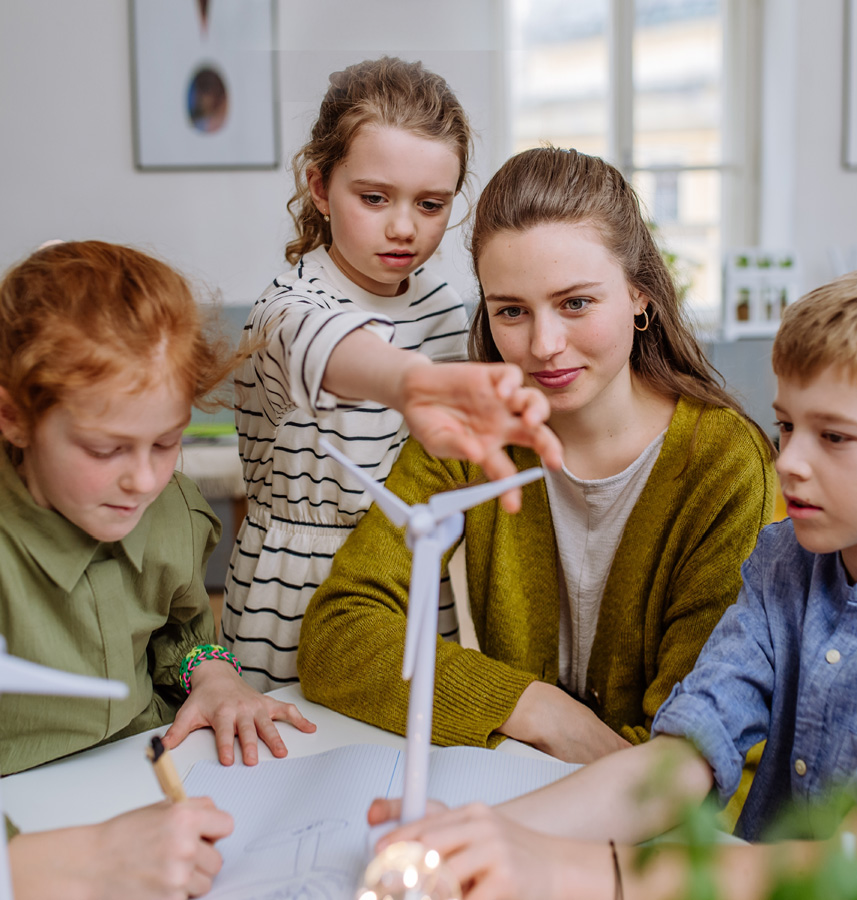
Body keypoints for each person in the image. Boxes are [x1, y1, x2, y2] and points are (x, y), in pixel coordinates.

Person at [373, 259, 857, 900]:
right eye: (787, 426)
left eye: (836, 437)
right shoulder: (784, 561)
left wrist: (564, 870)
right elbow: (683, 756)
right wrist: (482, 835)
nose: (790, 462)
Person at [297, 146, 775, 765]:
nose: (545, 346)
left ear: (640, 296)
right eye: (512, 311)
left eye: (576, 303)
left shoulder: (726, 466)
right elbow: (337, 634)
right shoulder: (472, 435)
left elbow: (693, 754)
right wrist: (543, 712)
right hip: (518, 792)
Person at [222, 57, 561, 692]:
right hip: (295, 591)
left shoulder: (439, 303)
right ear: (320, 187)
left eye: (431, 204)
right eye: (374, 198)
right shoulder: (285, 307)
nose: (404, 227)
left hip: (408, 578)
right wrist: (411, 383)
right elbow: (330, 346)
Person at [0, 240, 315, 898]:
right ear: (14, 417)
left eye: (167, 441)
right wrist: (76, 862)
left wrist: (215, 674)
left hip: (145, 786)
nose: (143, 480)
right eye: (105, 447)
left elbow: (184, 627)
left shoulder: (168, 505)